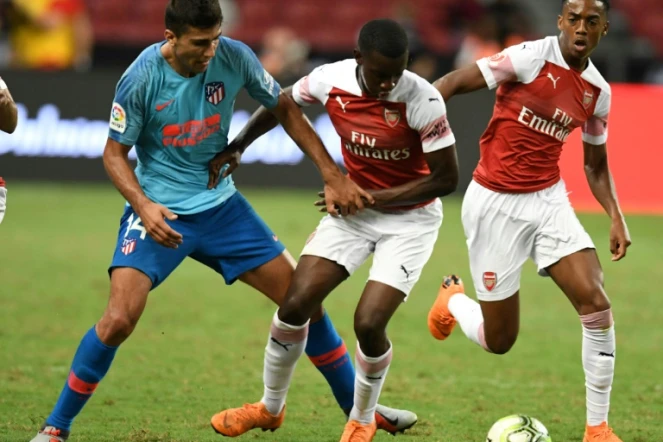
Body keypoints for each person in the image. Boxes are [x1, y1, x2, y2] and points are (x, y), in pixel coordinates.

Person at [28, 1, 419, 441]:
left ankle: (359, 411)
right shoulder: (140, 78)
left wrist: (329, 173)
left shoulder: (234, 55)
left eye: (215, 38)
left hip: (222, 208)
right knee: (119, 320)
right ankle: (55, 429)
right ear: (170, 38)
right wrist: (142, 205)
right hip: (163, 213)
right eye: (200, 42)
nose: (211, 50)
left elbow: (285, 106)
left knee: (302, 301)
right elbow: (113, 153)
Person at [210, 19, 459, 442]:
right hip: (353, 213)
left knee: (369, 322)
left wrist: (367, 196)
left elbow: (446, 180)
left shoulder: (423, 99)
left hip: (410, 220)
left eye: (398, 72)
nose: (389, 83)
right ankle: (270, 409)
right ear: (359, 59)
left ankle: (361, 420)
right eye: (381, 74)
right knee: (295, 303)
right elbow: (282, 103)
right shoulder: (330, 79)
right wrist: (239, 144)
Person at [427, 1, 630, 441]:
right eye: (573, 19)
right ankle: (453, 301)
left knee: (596, 304)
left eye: (591, 22)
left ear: (604, 29)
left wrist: (616, 216)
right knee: (500, 340)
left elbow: (595, 165)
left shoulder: (597, 91)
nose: (581, 28)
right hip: (494, 205)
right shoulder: (528, 57)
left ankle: (597, 428)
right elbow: (450, 83)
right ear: (560, 22)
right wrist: (416, 126)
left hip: (548, 201)